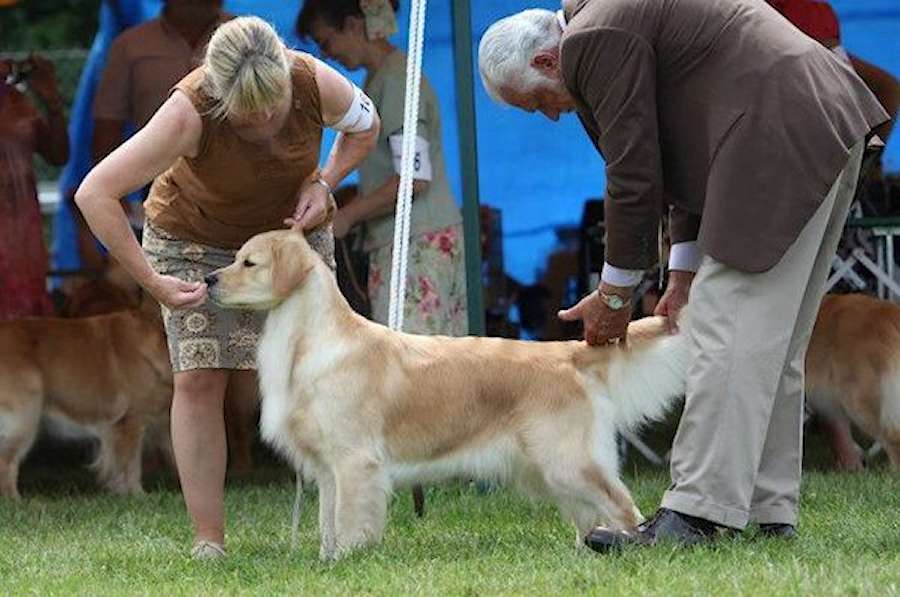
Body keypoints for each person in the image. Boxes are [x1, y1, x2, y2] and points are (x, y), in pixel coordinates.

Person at [478, 0, 887, 549]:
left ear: (550, 61)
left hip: (778, 131)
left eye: (536, 103)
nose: (551, 115)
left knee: (723, 331)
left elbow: (634, 170)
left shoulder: (593, 40)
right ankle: (767, 511)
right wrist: (682, 272)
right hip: (816, 121)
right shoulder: (612, 21)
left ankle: (697, 514)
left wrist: (615, 295)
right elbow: (683, 157)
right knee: (771, 343)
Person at [75, 16, 379, 559]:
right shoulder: (186, 113)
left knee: (329, 370)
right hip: (193, 239)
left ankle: (342, 526)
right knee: (198, 379)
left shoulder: (315, 81)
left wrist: (323, 181)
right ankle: (208, 540)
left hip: (288, 233)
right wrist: (151, 281)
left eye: (273, 107)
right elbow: (95, 192)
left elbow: (366, 125)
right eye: (247, 115)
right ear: (219, 96)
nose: (263, 123)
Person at [296, 0, 468, 336]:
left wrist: (347, 216)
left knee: (412, 364)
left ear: (352, 25)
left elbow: (414, 178)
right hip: (406, 238)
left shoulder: (396, 80)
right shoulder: (382, 80)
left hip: (418, 242)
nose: (326, 54)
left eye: (326, 41)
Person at [91, 0, 230, 233]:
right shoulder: (131, 45)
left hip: (235, 178)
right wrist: (114, 197)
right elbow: (108, 124)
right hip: (160, 182)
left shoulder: (248, 37)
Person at [0, 54, 69, 320]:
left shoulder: (16, 100)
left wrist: (51, 101)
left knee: (25, 314)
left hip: (20, 230)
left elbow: (58, 154)